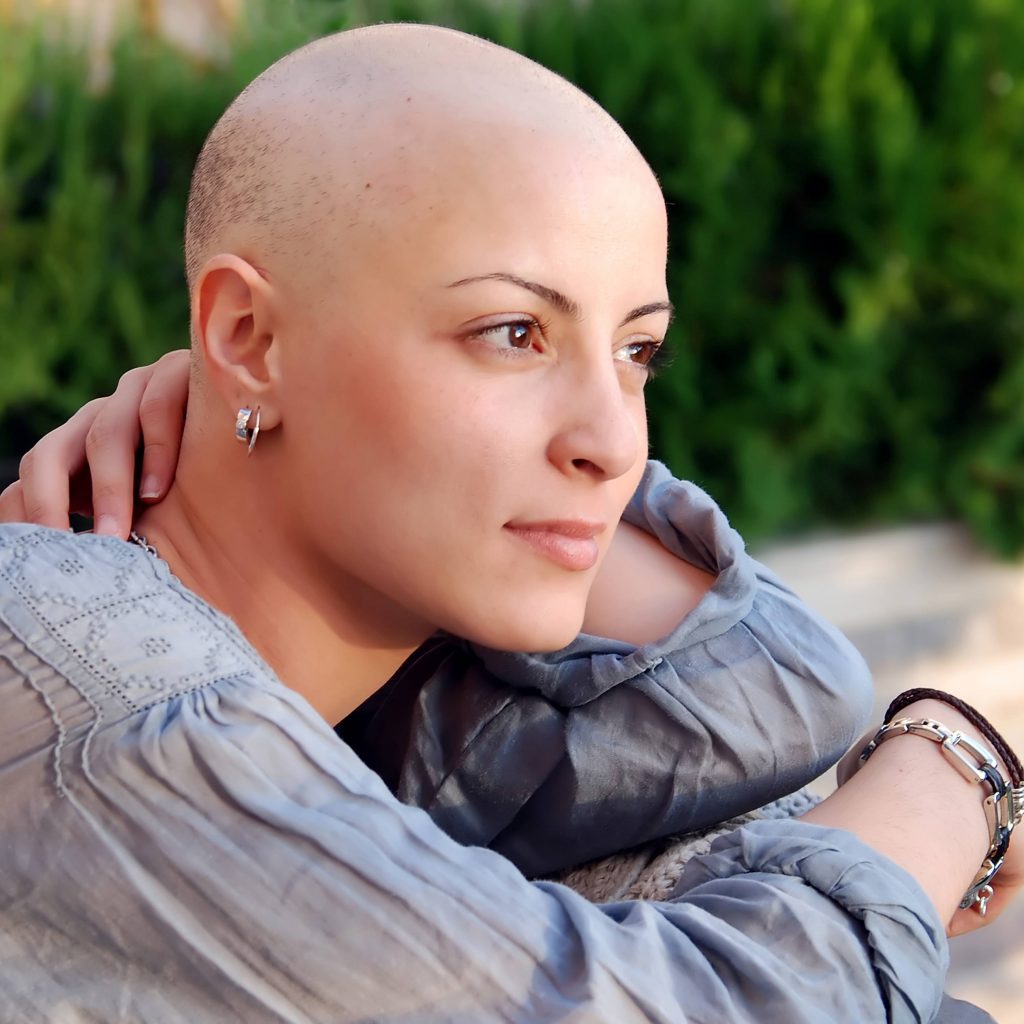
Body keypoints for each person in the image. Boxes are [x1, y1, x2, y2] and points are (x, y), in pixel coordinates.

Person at [0, 22, 1019, 1023]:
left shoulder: (357, 704)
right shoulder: (113, 699)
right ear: (249, 333)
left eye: (636, 351)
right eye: (514, 332)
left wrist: (249, 409)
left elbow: (782, 692)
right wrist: (951, 770)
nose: (615, 442)